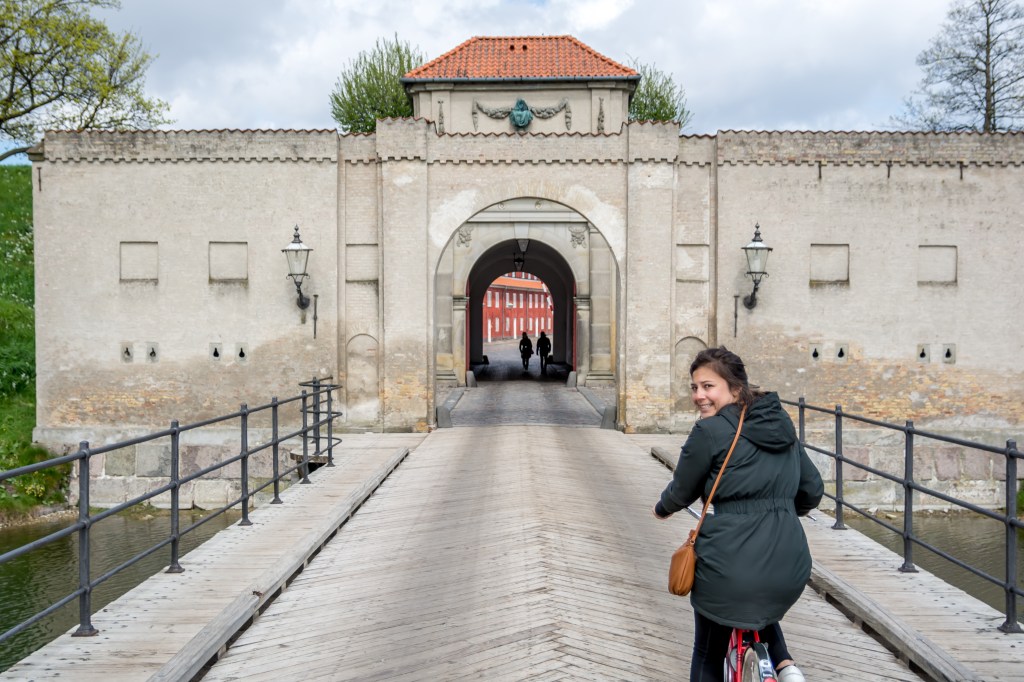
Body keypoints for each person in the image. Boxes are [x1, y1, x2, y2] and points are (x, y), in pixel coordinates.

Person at [653, 347, 823, 682]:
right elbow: (813, 489)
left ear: (735, 389)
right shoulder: (781, 425)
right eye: (695, 387)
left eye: (708, 386)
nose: (699, 395)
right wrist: (783, 509)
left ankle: (782, 664)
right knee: (750, 593)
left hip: (732, 568)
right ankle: (785, 665)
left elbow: (682, 490)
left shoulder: (709, 431)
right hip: (791, 565)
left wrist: (661, 510)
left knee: (708, 650)